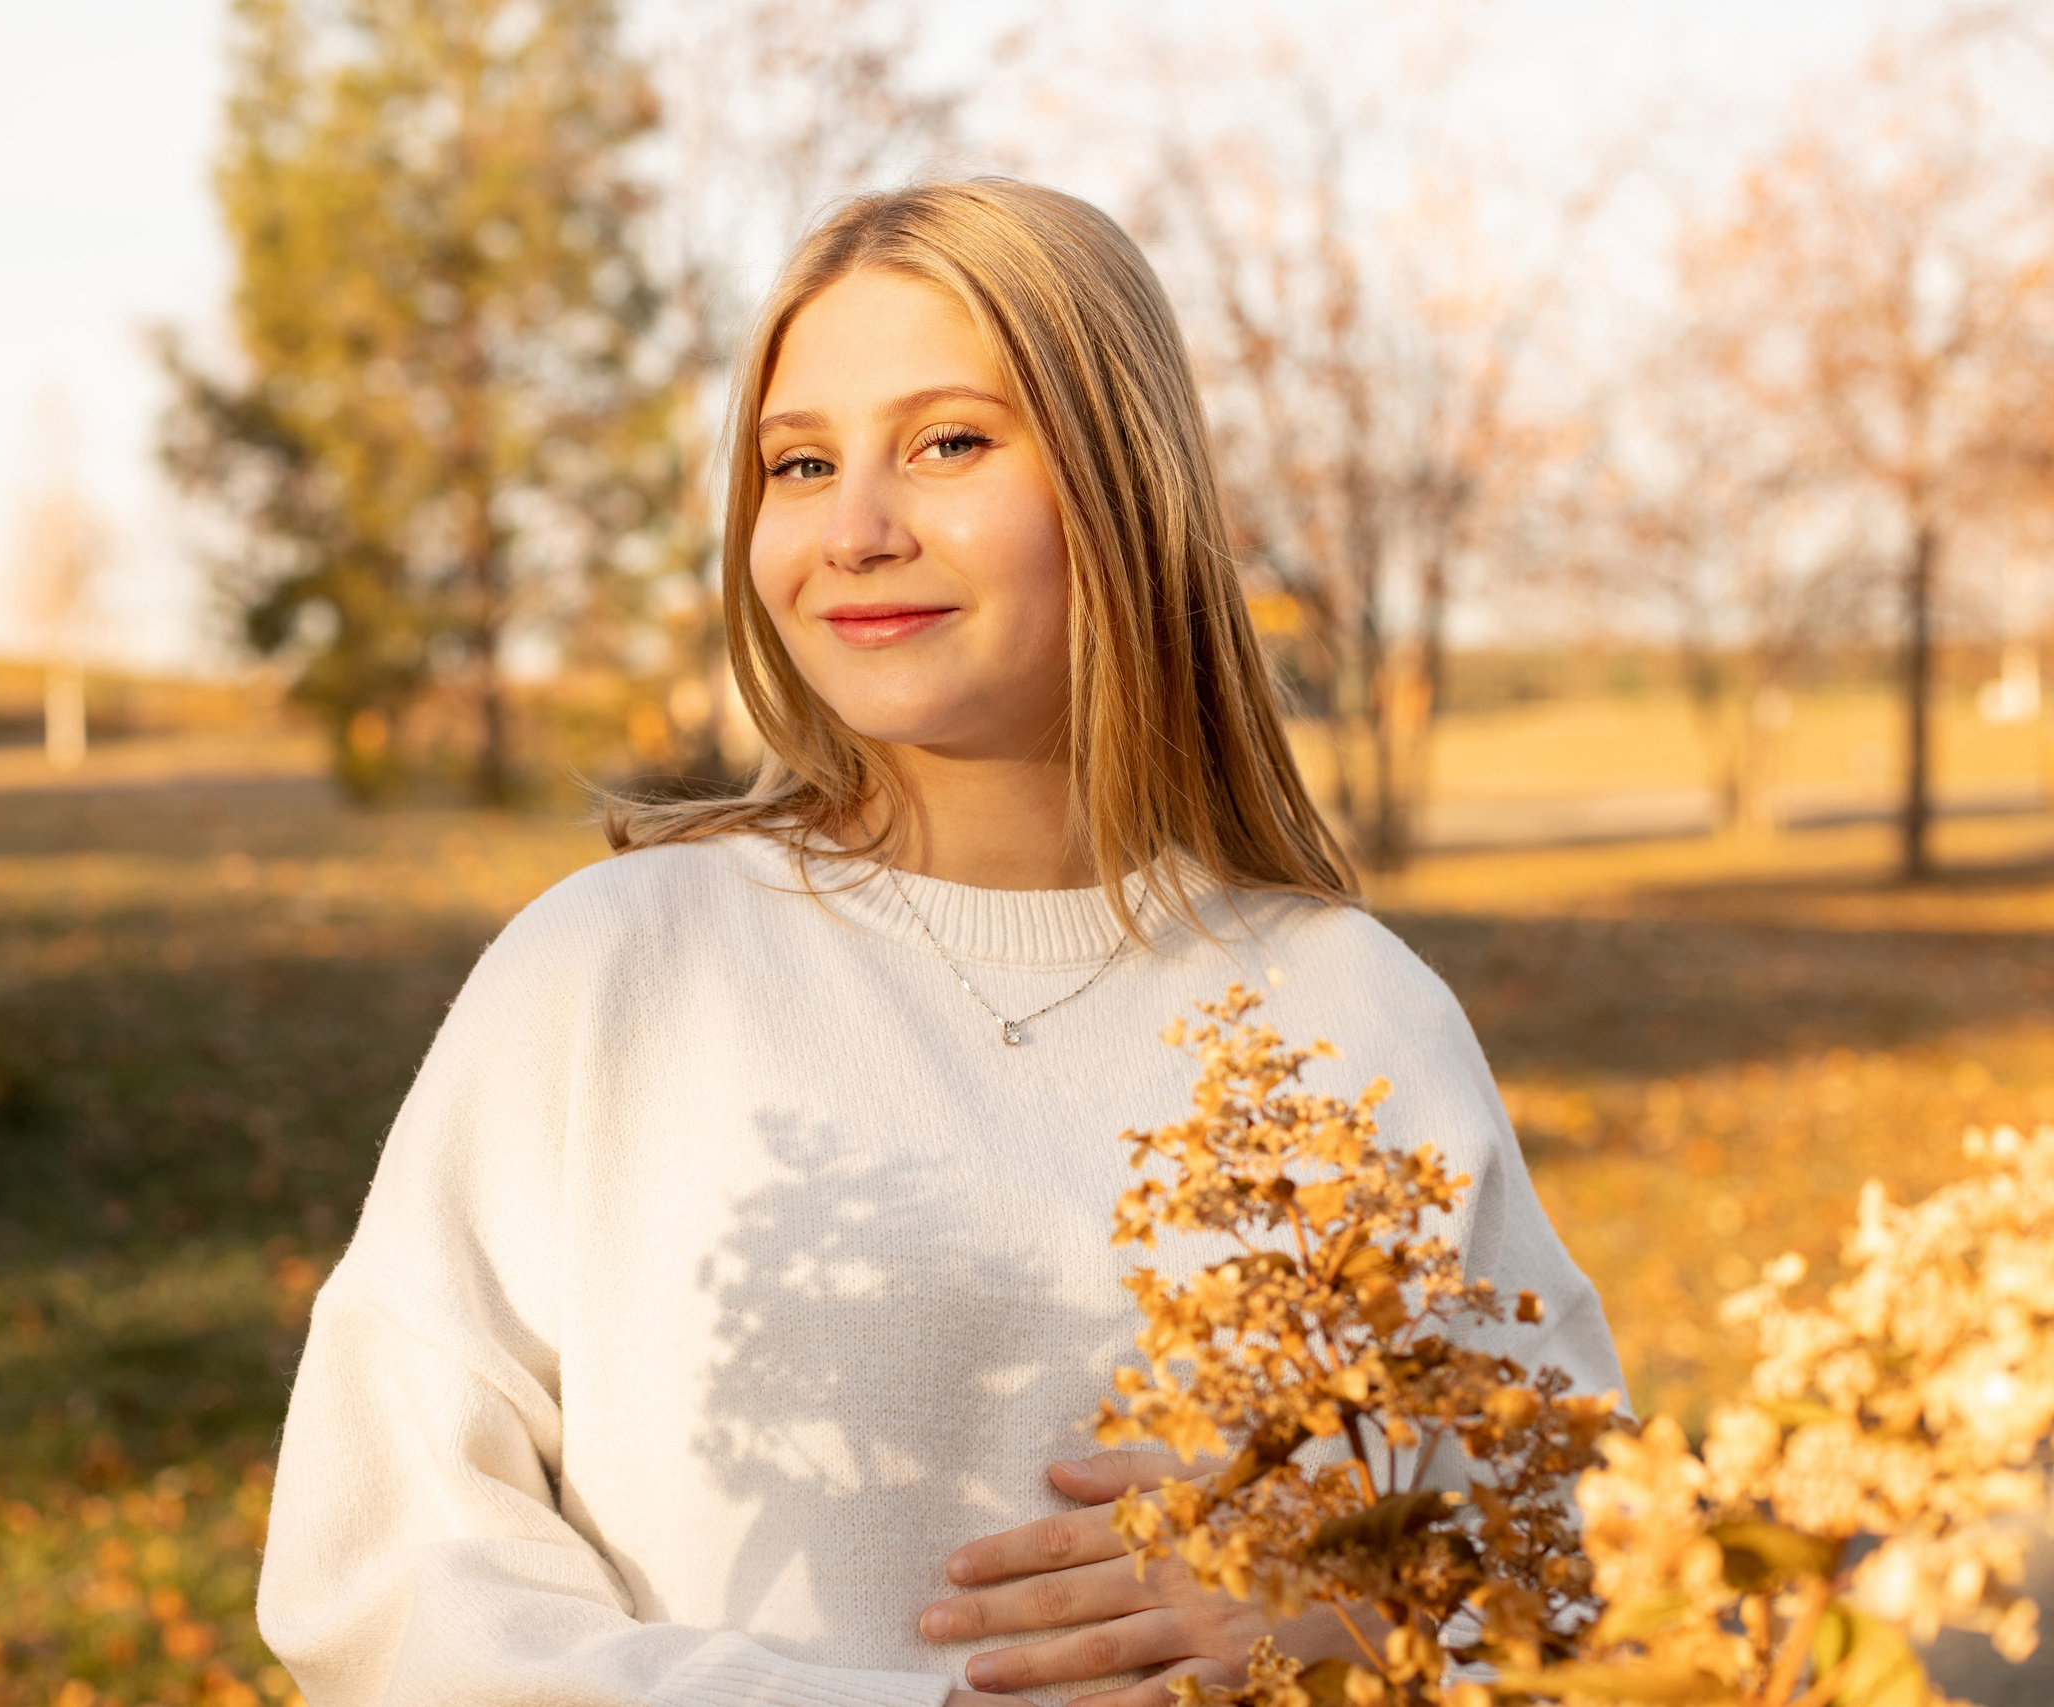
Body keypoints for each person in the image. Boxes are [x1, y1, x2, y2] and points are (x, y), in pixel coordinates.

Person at [257, 179, 1624, 1707]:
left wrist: (1362, 1617)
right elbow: (385, 1576)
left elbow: (1585, 1557)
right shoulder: (616, 972)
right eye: (799, 463)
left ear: (1122, 480)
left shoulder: (1357, 1013)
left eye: (948, 442)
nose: (853, 530)